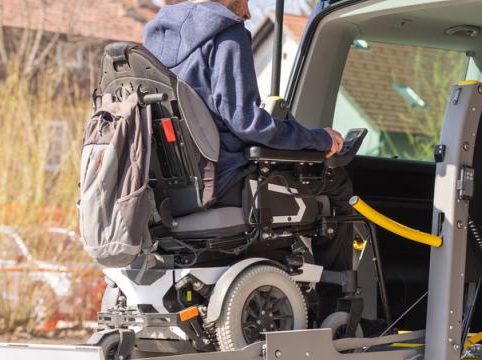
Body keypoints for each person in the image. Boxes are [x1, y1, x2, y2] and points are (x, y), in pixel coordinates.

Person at [143, 0, 356, 320]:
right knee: (335, 181)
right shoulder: (226, 34)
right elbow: (248, 124)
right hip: (224, 182)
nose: (246, 13)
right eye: (243, 2)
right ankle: (334, 309)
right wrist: (319, 139)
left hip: (172, 190)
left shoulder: (153, 44)